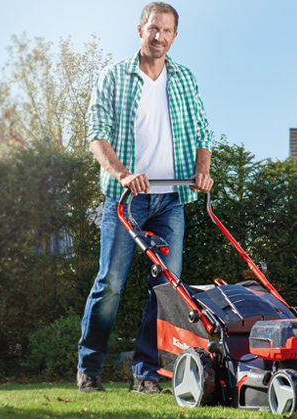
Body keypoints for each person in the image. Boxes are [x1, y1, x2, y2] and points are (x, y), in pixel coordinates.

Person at [77, 2, 213, 394]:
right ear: (140, 30)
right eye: (153, 28)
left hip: (171, 199)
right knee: (110, 283)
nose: (159, 37)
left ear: (174, 36)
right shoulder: (114, 76)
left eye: (167, 31)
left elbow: (202, 132)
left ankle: (146, 374)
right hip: (126, 199)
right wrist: (123, 174)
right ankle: (89, 369)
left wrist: (202, 170)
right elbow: (96, 133)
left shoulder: (184, 79)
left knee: (167, 290)